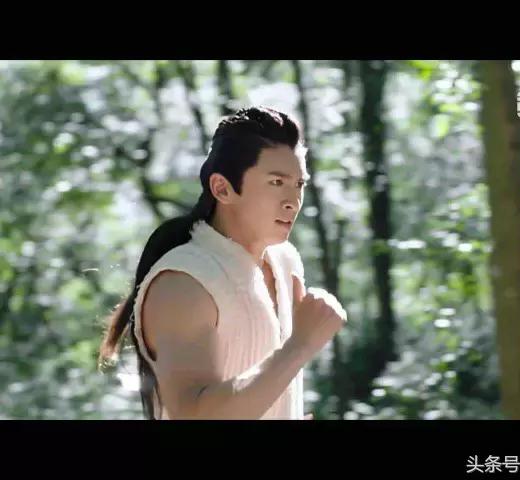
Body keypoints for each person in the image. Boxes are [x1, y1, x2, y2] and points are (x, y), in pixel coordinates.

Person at [98, 106, 347, 419]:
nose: (293, 201)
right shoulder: (183, 282)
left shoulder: (286, 262)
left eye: (299, 184)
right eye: (276, 182)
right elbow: (193, 414)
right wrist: (299, 347)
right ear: (222, 188)